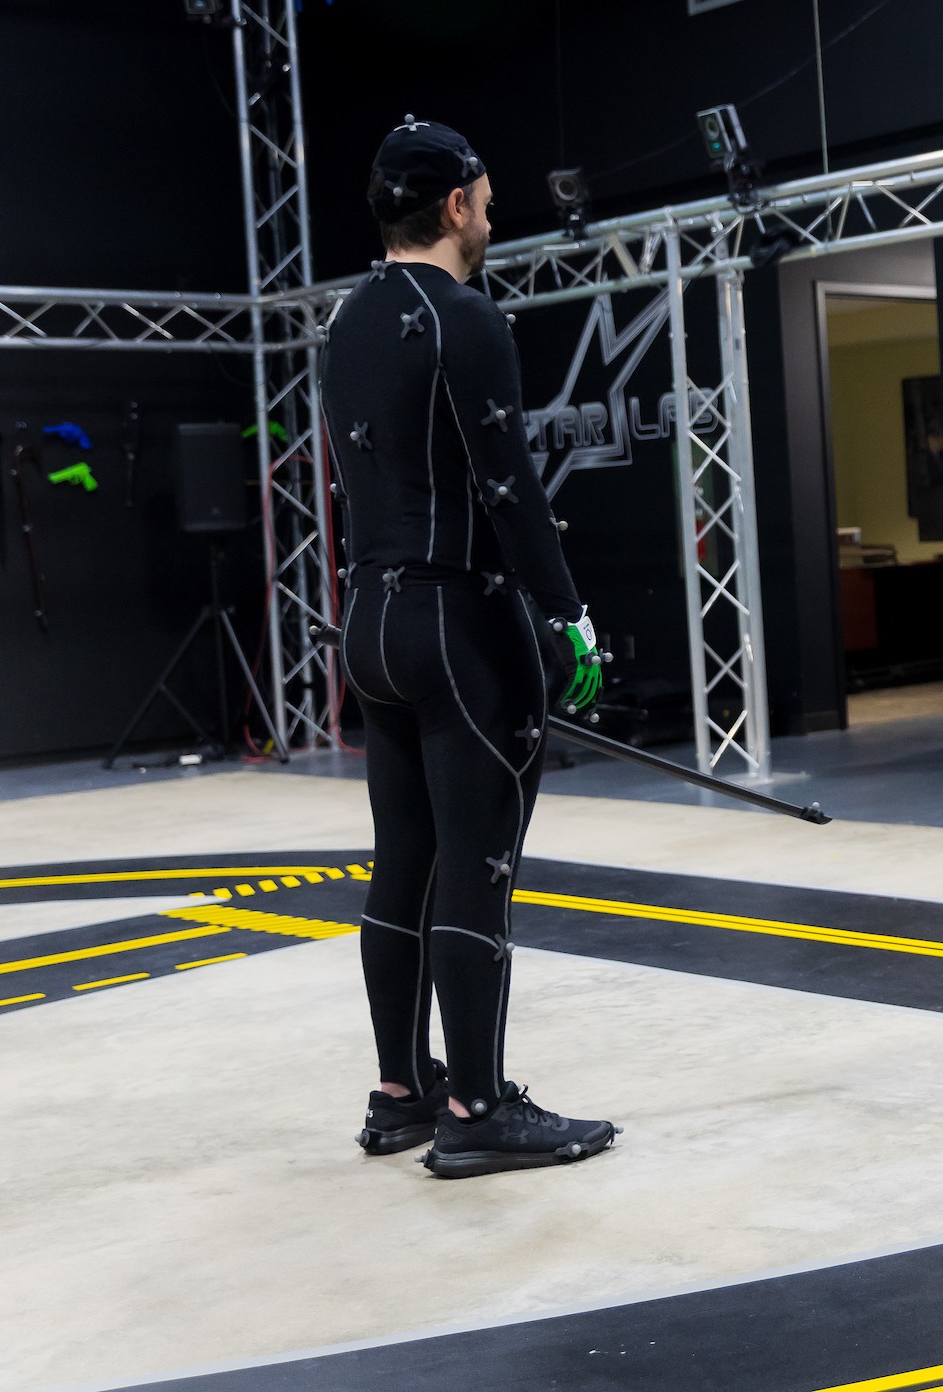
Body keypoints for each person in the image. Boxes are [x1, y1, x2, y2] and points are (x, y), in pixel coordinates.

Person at [325, 117, 617, 1179]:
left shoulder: (346, 320)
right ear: (456, 206)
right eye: (487, 201)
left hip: (371, 623)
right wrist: (569, 612)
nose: (491, 217)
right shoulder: (465, 317)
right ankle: (479, 1107)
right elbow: (507, 487)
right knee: (479, 868)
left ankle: (402, 1091)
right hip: (458, 624)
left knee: (402, 861)